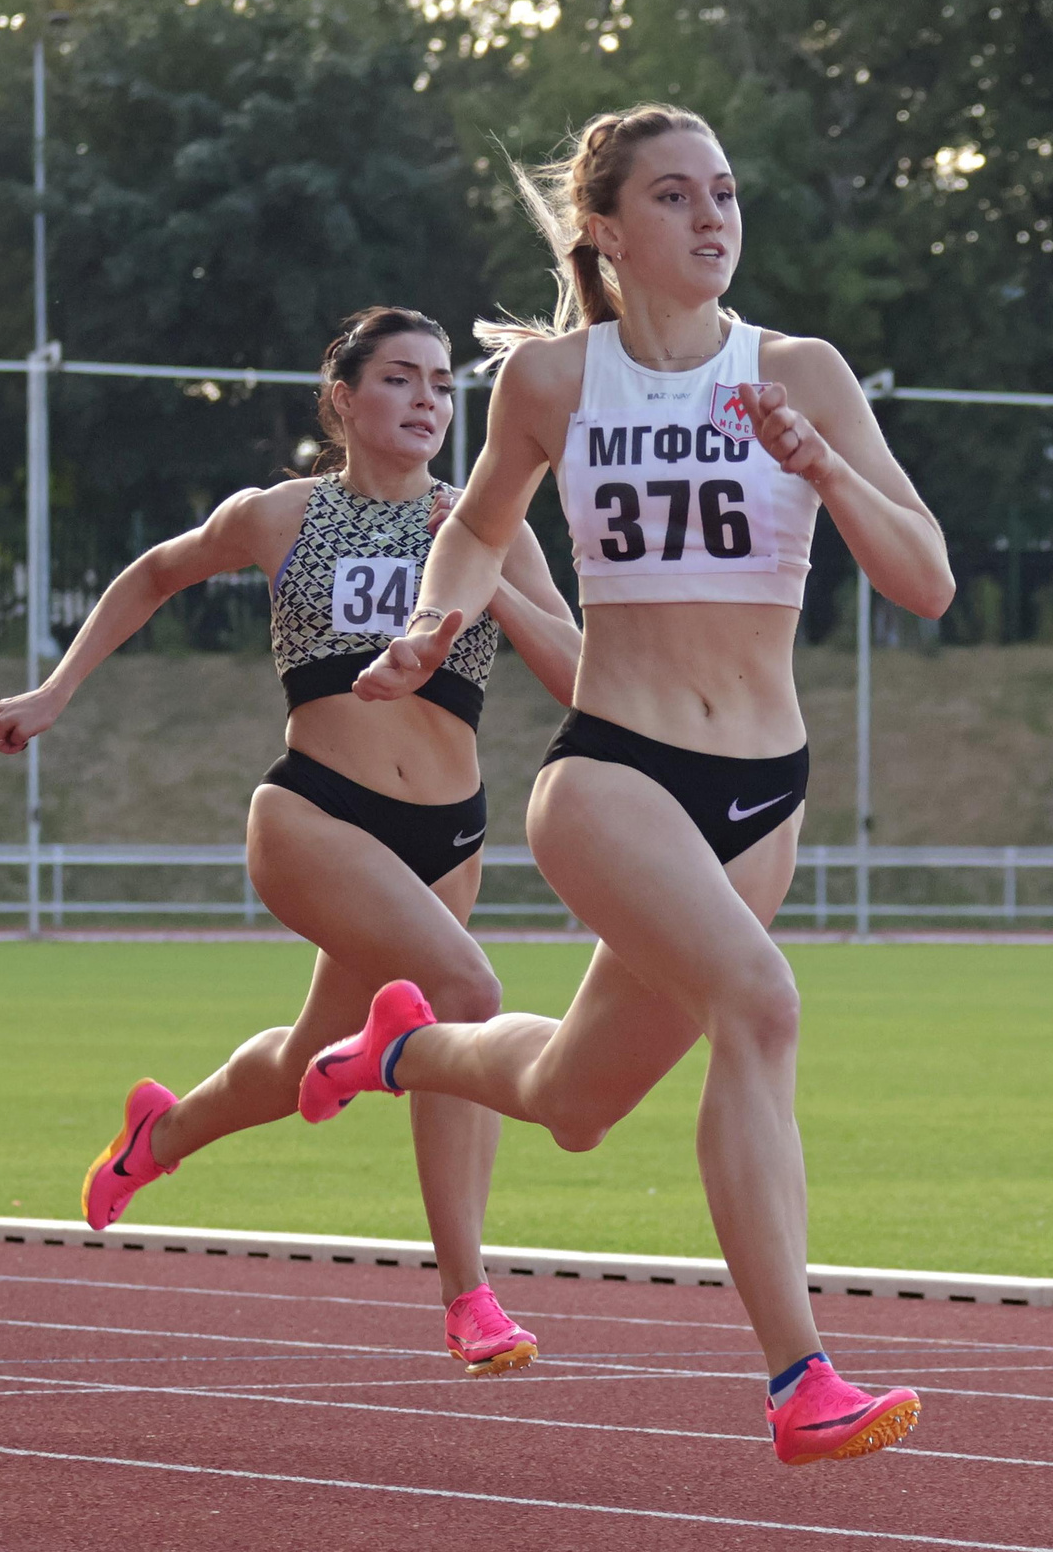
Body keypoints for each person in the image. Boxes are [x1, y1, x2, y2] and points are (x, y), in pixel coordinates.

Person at [305, 107, 956, 1462]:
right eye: (675, 196)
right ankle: (799, 1378)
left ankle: (401, 1047)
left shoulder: (805, 371)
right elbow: (476, 528)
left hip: (763, 789)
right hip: (614, 771)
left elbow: (927, 579)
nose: (713, 218)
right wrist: (430, 625)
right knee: (759, 1000)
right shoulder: (552, 379)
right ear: (607, 230)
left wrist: (822, 465)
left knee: (575, 1099)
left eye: (725, 193)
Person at [0, 306, 584, 1375]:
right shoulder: (279, 516)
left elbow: (576, 672)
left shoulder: (486, 520)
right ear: (344, 398)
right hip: (314, 811)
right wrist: (55, 689)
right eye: (401, 380)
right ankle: (470, 1297)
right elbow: (152, 574)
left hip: (447, 833)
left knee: (305, 1058)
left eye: (444, 385)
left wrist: (489, 580)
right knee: (465, 994)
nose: (428, 403)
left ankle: (156, 1137)